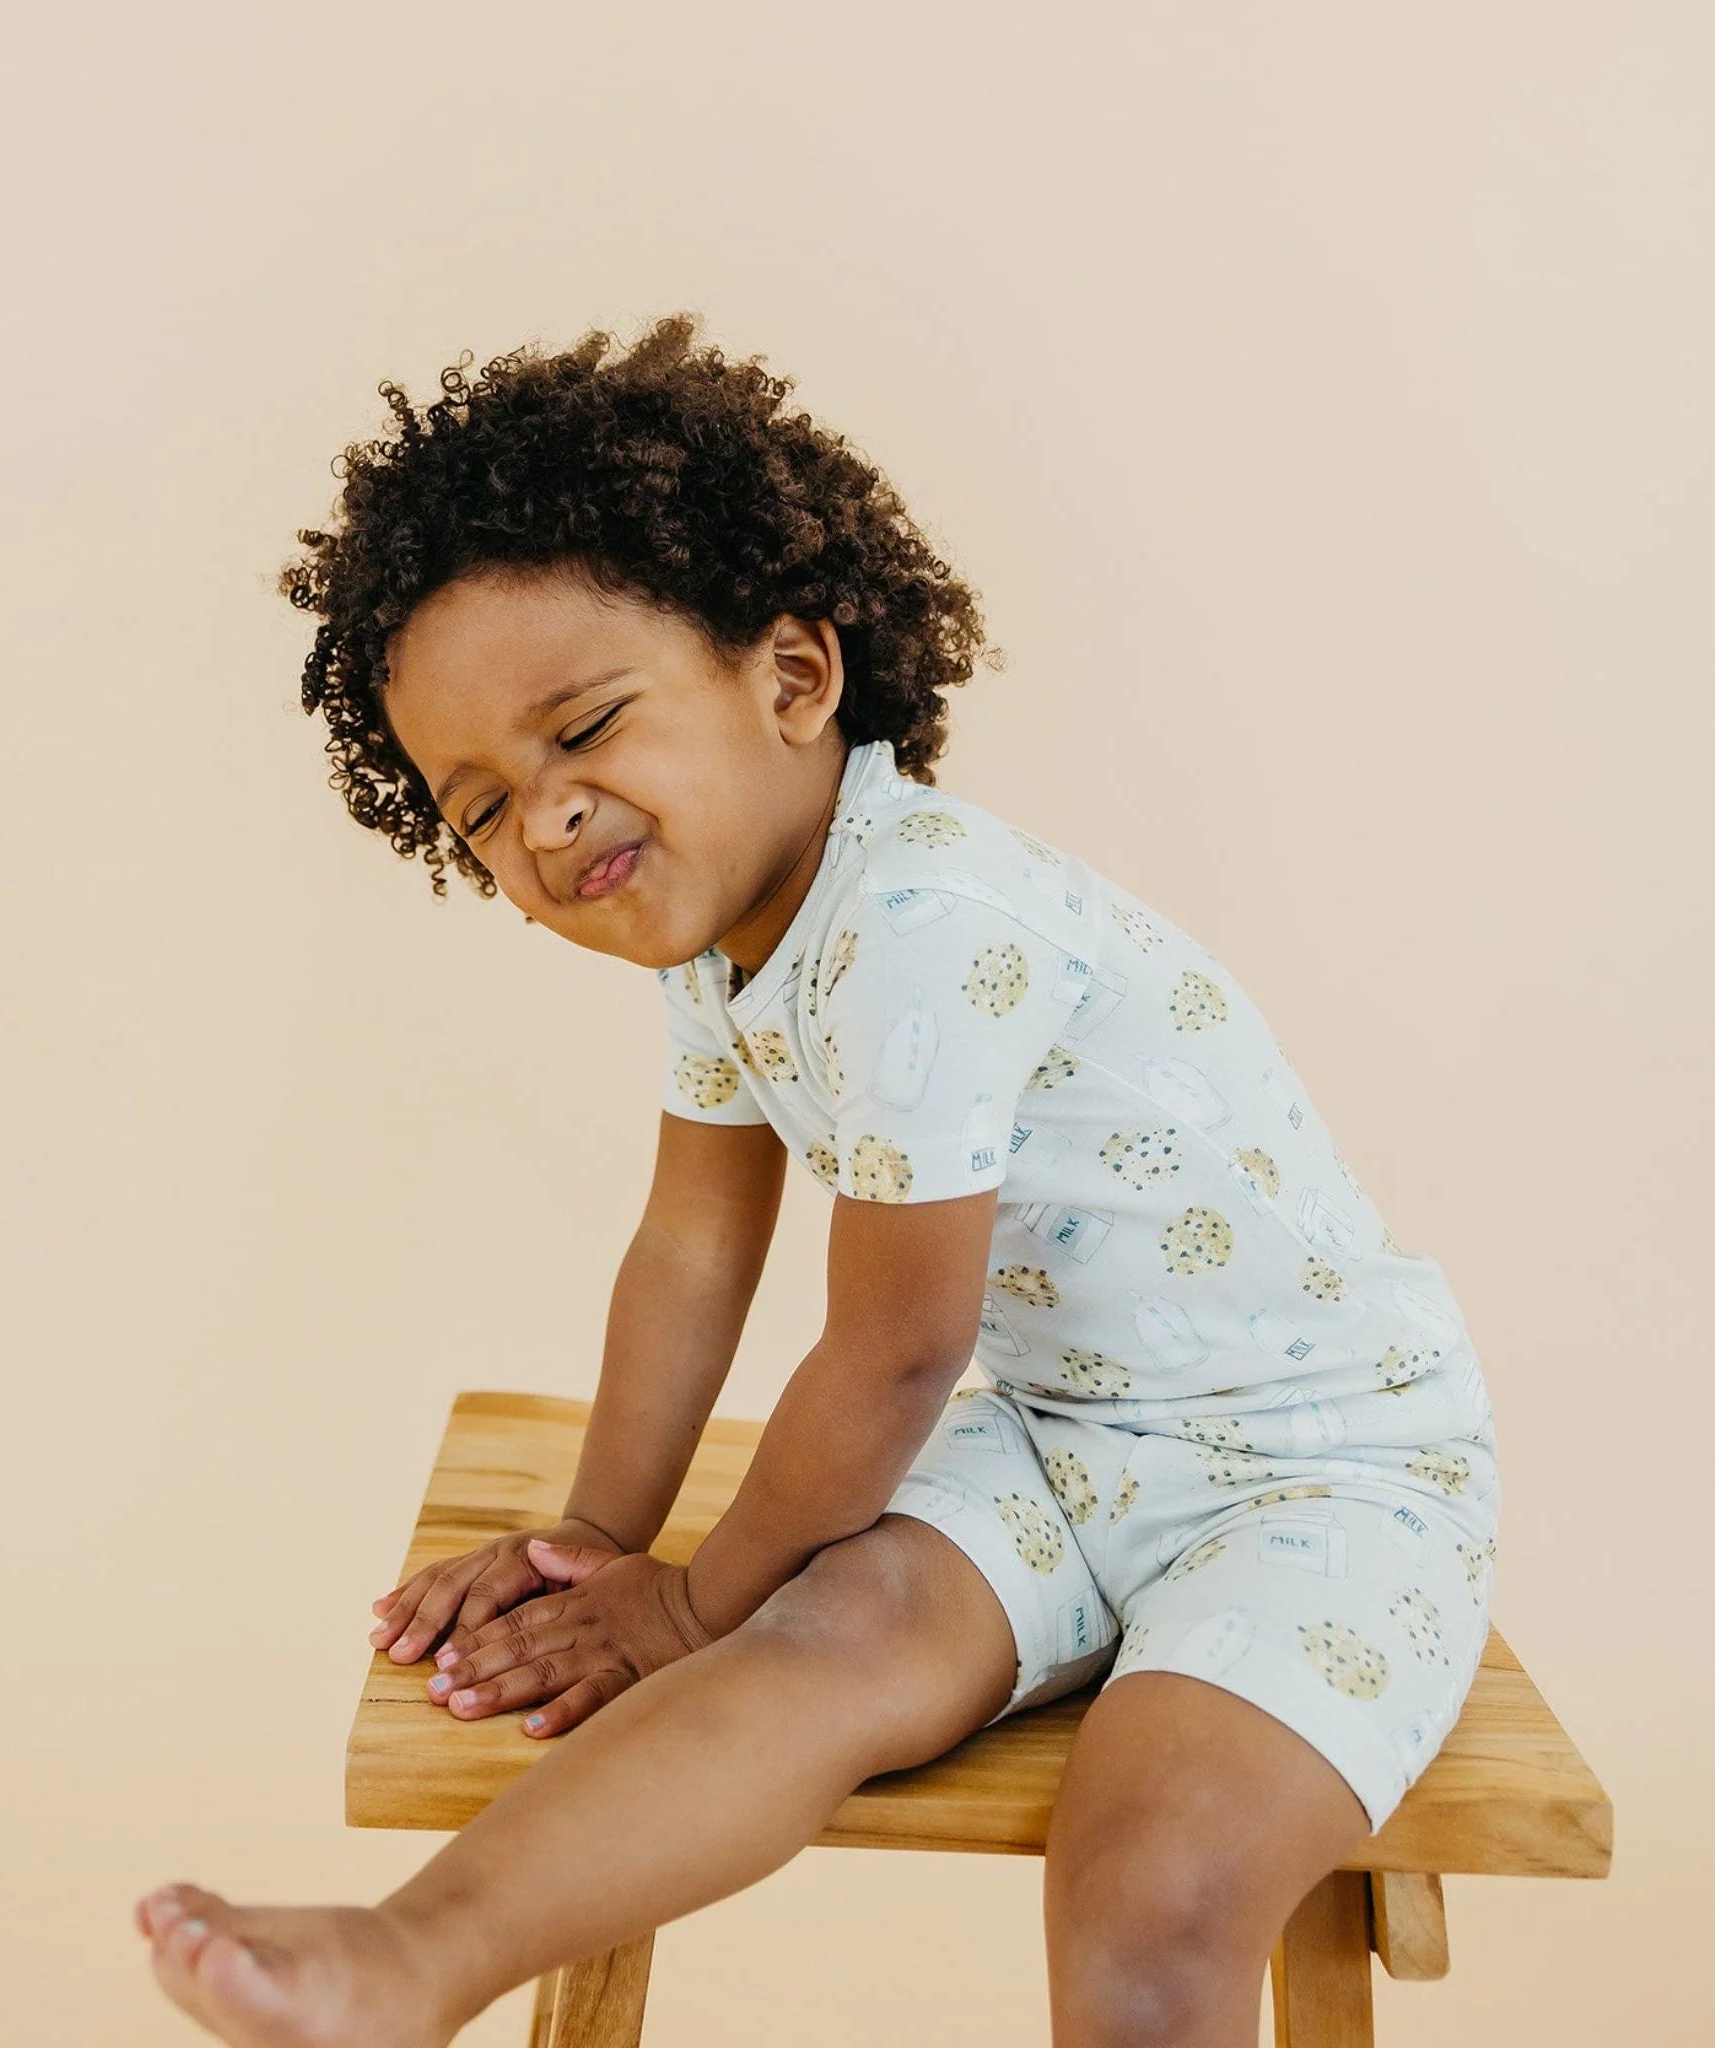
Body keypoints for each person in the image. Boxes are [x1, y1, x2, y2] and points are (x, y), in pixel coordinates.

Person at [133, 312, 1500, 2048]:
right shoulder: (726, 942)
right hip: (1071, 1442)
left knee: (1151, 1883)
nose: (544, 821)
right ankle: (405, 1964)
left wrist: (693, 1601)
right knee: (823, 1637)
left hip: (1321, 1471)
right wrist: (598, 1544)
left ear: (792, 678)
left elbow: (896, 1352)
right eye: (479, 809)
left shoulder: (921, 920)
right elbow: (691, 1249)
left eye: (585, 728)